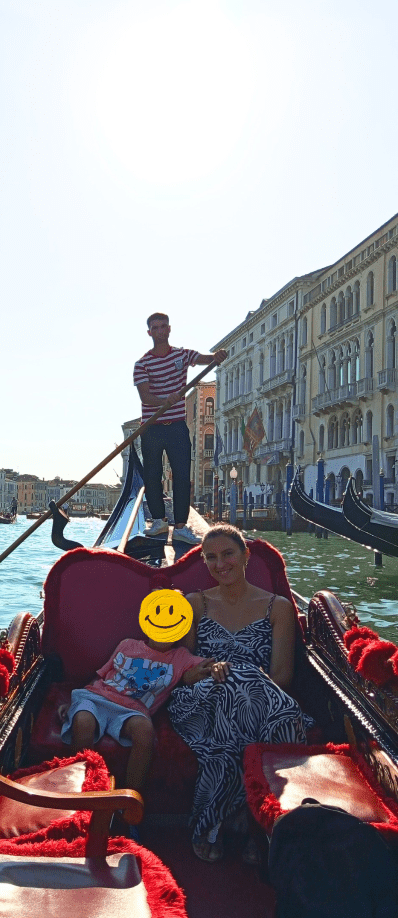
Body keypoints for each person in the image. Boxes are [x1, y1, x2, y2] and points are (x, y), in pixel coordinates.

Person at [168, 524, 307, 863]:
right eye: (211, 558)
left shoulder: (278, 608)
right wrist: (207, 671)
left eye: (228, 554)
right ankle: (254, 821)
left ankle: (214, 820)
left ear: (246, 555)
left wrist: (240, 677)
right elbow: (186, 669)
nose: (220, 564)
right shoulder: (196, 604)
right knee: (233, 685)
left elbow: (282, 677)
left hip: (260, 700)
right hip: (199, 700)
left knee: (240, 685)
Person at [61, 606, 227, 808]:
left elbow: (208, 666)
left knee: (145, 730)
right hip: (97, 696)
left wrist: (217, 667)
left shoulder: (181, 657)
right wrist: (73, 705)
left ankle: (130, 802)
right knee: (83, 720)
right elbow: (100, 676)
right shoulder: (127, 645)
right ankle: (82, 793)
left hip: (134, 709)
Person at [134, 313, 227, 545]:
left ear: (169, 329)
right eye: (155, 327)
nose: (159, 330)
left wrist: (217, 357)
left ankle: (182, 526)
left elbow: (204, 358)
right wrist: (165, 399)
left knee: (182, 476)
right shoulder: (142, 364)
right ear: (149, 333)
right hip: (152, 427)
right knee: (152, 475)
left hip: (176, 426)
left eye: (163, 326)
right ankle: (158, 521)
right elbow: (145, 396)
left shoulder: (182, 355)